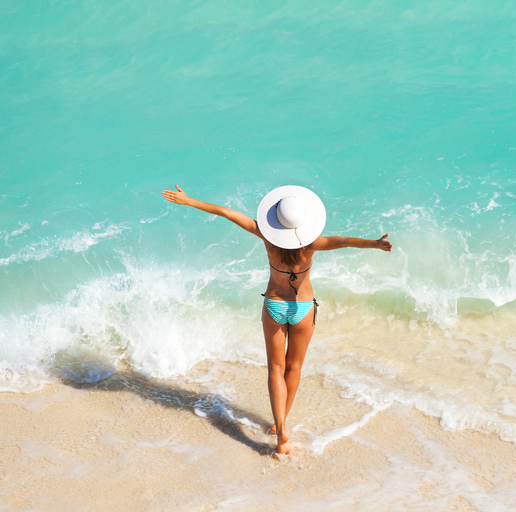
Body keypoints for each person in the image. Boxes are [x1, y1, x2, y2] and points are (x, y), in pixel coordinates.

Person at [162, 184, 392, 457]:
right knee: (294, 367)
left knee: (275, 368)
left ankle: (281, 430)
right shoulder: (313, 244)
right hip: (303, 308)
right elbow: (345, 241)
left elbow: (228, 213)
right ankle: (279, 424)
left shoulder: (268, 239)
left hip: (274, 304)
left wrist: (189, 201)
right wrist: (375, 244)